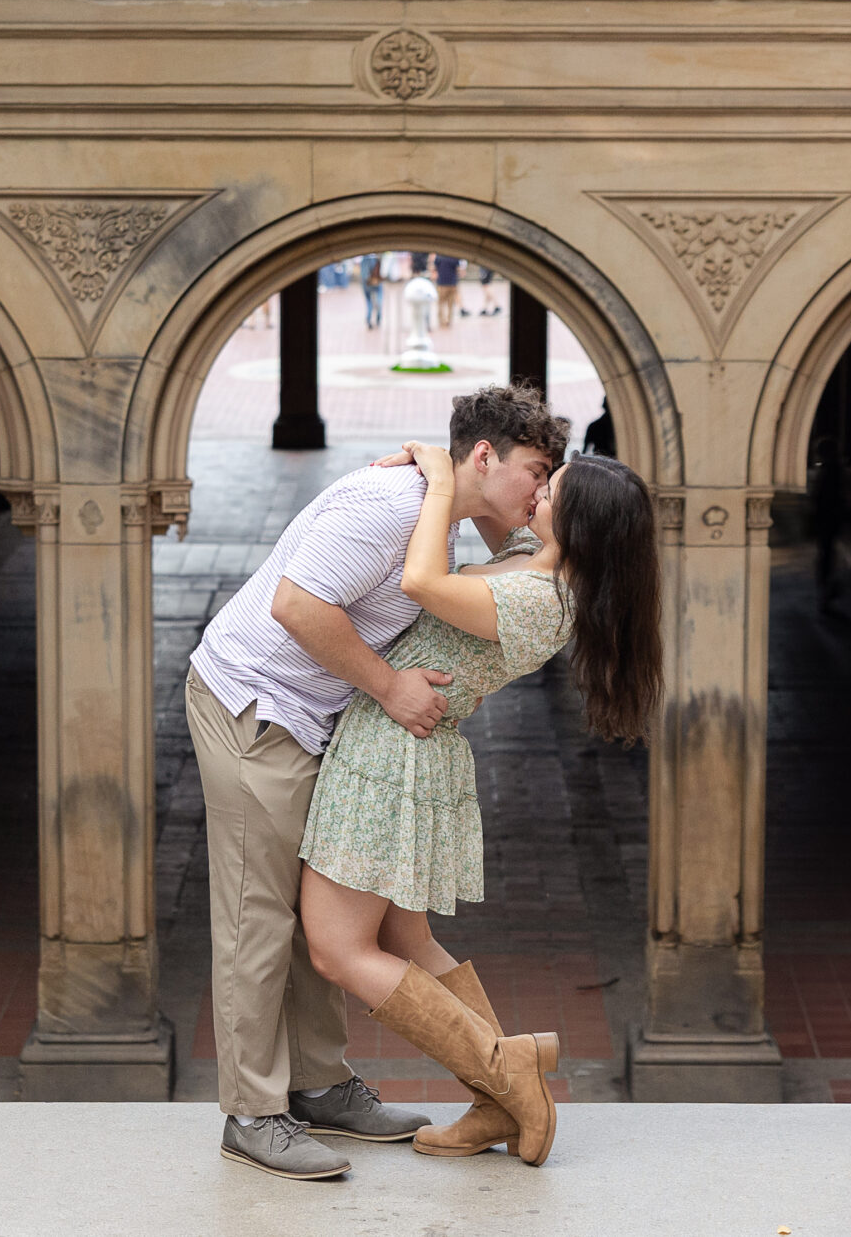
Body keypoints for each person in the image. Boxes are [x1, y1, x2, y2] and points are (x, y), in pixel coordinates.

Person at [184, 386, 567, 1181]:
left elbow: (521, 538)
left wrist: (442, 470)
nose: (540, 490)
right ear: (486, 456)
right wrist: (390, 686)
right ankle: (253, 1113)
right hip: (257, 705)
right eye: (536, 470)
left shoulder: (445, 510)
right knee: (260, 916)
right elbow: (297, 605)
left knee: (313, 917)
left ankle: (319, 1084)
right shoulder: (391, 509)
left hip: (315, 715)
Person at [298, 440, 663, 1167]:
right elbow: (493, 500)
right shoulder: (536, 561)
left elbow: (420, 580)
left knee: (338, 950)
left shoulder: (536, 600)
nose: (537, 494)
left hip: (391, 755)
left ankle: (506, 1072)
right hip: (403, 749)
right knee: (408, 942)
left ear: (579, 526)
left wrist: (438, 475)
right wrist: (466, 462)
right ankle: (496, 1101)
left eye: (551, 490)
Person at [433, 254, 461, 327]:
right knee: (450, 304)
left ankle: (442, 321)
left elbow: (435, 268)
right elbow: (458, 269)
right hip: (452, 283)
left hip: (441, 283)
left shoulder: (439, 256)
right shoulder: (455, 256)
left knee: (440, 303)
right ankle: (448, 320)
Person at [361, 252, 385, 329]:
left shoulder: (364, 258)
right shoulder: (375, 256)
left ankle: (369, 319)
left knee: (369, 301)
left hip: (366, 283)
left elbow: (363, 274)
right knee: (378, 298)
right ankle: (378, 316)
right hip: (375, 281)